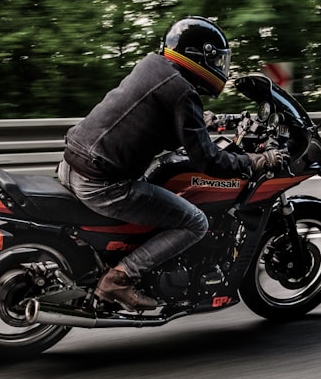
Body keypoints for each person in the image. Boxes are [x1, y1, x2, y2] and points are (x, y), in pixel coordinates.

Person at [56, 16, 286, 311]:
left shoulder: (152, 66)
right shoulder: (183, 94)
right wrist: (256, 161)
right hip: (101, 183)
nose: (219, 67)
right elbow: (209, 160)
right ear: (198, 56)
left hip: (72, 163)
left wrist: (206, 121)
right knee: (195, 222)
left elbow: (150, 115)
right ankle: (119, 278)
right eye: (215, 59)